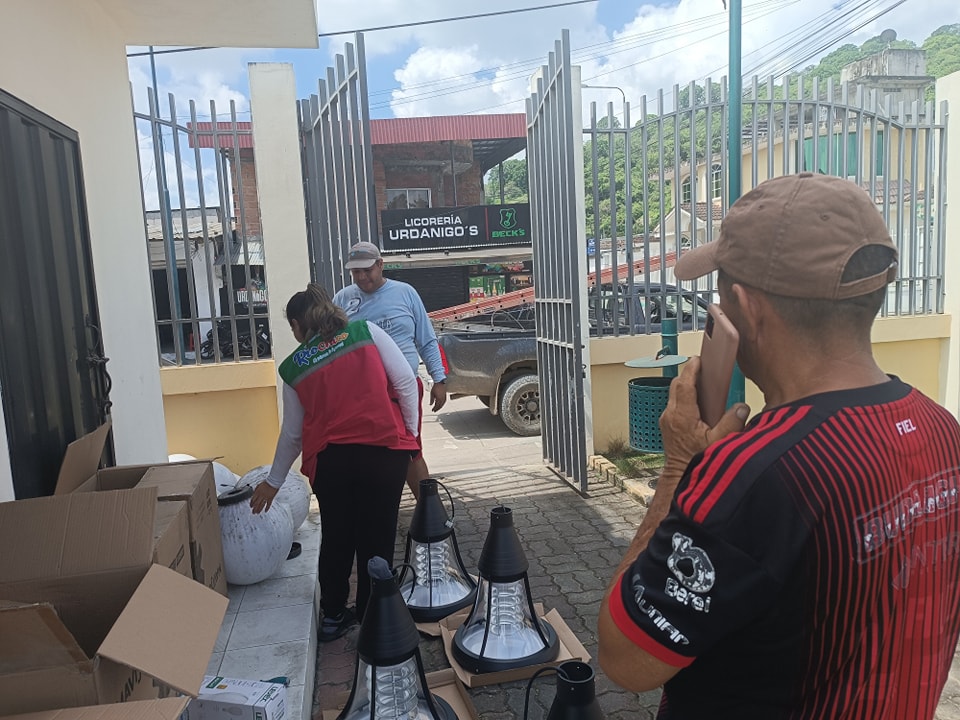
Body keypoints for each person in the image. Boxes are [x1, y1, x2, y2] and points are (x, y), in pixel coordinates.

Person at [597, 173, 960, 719]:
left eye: (720, 293)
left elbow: (626, 659)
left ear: (747, 309)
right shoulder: (942, 430)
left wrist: (677, 469)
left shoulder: (753, 474)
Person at [250, 283, 420, 642]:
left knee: (337, 537)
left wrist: (273, 481)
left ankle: (334, 616)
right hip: (383, 453)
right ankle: (375, 617)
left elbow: (292, 434)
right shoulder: (365, 332)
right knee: (377, 537)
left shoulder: (294, 367)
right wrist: (411, 437)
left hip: (332, 464)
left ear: (297, 324)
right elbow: (406, 381)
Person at [333, 241, 447, 501]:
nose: (362, 277)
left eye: (367, 270)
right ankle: (379, 511)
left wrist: (439, 379)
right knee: (371, 454)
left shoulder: (405, 293)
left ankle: (431, 513)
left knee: (410, 450)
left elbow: (426, 340)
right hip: (362, 395)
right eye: (356, 272)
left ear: (380, 265)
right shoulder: (342, 300)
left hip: (402, 389)